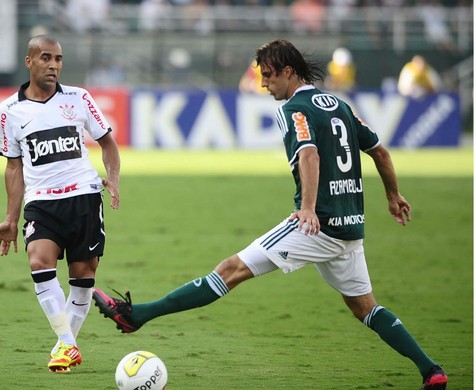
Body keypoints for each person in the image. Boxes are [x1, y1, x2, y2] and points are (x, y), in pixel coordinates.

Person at [93, 39, 447, 389]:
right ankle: (431, 370)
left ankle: (135, 316)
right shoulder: (340, 105)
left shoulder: (293, 109)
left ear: (288, 72)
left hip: (316, 226)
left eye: (268, 76)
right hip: (351, 227)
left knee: (229, 271)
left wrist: (307, 209)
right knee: (366, 308)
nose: (263, 84)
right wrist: (393, 195)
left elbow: (309, 154)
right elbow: (380, 152)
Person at [0, 35, 120, 374]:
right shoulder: (8, 111)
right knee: (38, 263)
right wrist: (10, 217)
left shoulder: (79, 98)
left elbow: (108, 143)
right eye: (46, 57)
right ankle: (67, 343)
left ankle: (66, 347)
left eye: (59, 59)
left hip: (85, 197)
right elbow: (14, 166)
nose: (54, 65)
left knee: (82, 275)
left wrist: (114, 178)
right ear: (29, 61)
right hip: (42, 202)